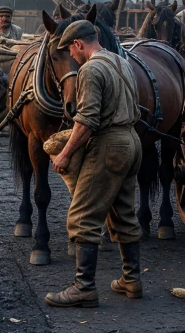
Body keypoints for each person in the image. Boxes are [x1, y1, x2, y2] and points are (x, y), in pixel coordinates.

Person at [44, 20, 143, 308]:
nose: (70, 57)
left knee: (82, 215)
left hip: (109, 145)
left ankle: (83, 288)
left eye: (69, 51)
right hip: (131, 141)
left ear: (78, 44)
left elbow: (87, 120)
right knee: (124, 212)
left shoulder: (90, 69)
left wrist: (64, 154)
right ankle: (131, 279)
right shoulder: (120, 61)